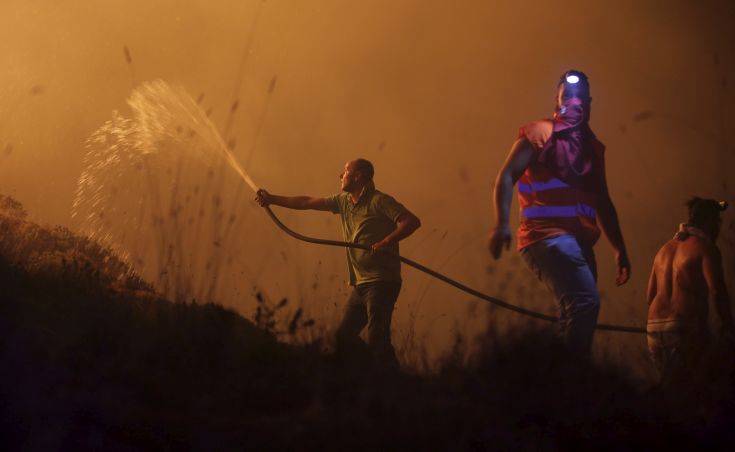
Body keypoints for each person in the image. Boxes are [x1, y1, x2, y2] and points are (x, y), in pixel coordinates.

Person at [488, 70, 630, 357]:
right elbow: (506, 176)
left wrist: (619, 249)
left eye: (581, 96)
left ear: (590, 102)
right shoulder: (541, 132)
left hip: (579, 242)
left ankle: (556, 382)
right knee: (584, 303)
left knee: (575, 312)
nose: (575, 101)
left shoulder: (592, 149)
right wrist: (501, 224)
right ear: (557, 99)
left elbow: (603, 200)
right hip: (547, 236)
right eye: (569, 95)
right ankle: (570, 379)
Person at [255, 158, 421, 367]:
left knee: (377, 338)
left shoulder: (379, 201)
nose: (340, 176)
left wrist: (386, 242)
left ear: (358, 176)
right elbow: (306, 202)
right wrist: (272, 199)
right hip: (360, 285)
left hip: (381, 282)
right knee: (342, 338)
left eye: (345, 171)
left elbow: (411, 222)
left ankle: (393, 384)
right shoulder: (343, 201)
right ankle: (365, 373)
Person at [646, 197, 732, 386]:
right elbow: (717, 291)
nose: (718, 228)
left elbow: (650, 295)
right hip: (684, 330)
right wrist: (728, 325)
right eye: (717, 222)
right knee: (694, 390)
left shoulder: (664, 249)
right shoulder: (706, 248)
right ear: (709, 222)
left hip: (653, 329)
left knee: (669, 391)